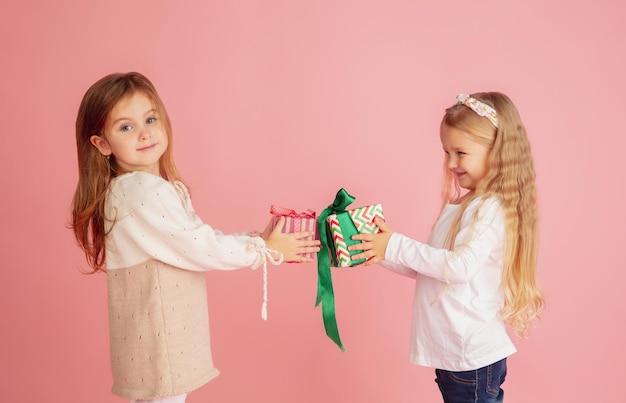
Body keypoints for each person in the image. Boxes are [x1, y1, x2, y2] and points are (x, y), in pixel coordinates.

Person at [70, 72, 321, 403]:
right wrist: (261, 248)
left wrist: (258, 241)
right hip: (163, 337)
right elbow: (200, 246)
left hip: (151, 337)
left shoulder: (127, 190)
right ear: (102, 143)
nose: (144, 133)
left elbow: (191, 240)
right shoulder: (143, 191)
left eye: (150, 119)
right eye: (126, 127)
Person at [350, 92, 544, 402]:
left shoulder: (490, 208)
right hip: (457, 356)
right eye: (446, 152)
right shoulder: (467, 205)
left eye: (460, 152)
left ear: (497, 152)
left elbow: (458, 267)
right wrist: (379, 249)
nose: (451, 162)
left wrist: (395, 244)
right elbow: (433, 267)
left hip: (472, 358)